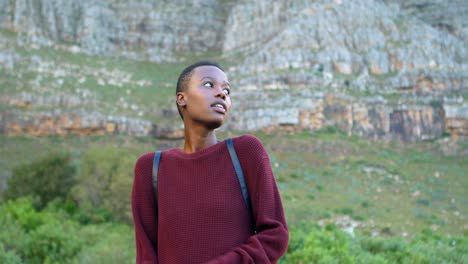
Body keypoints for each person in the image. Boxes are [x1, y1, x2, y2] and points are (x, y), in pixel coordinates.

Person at [131, 61, 288, 263]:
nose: (221, 93)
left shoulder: (245, 152)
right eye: (208, 84)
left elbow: (275, 234)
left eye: (227, 90)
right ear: (182, 99)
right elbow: (146, 256)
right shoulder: (150, 168)